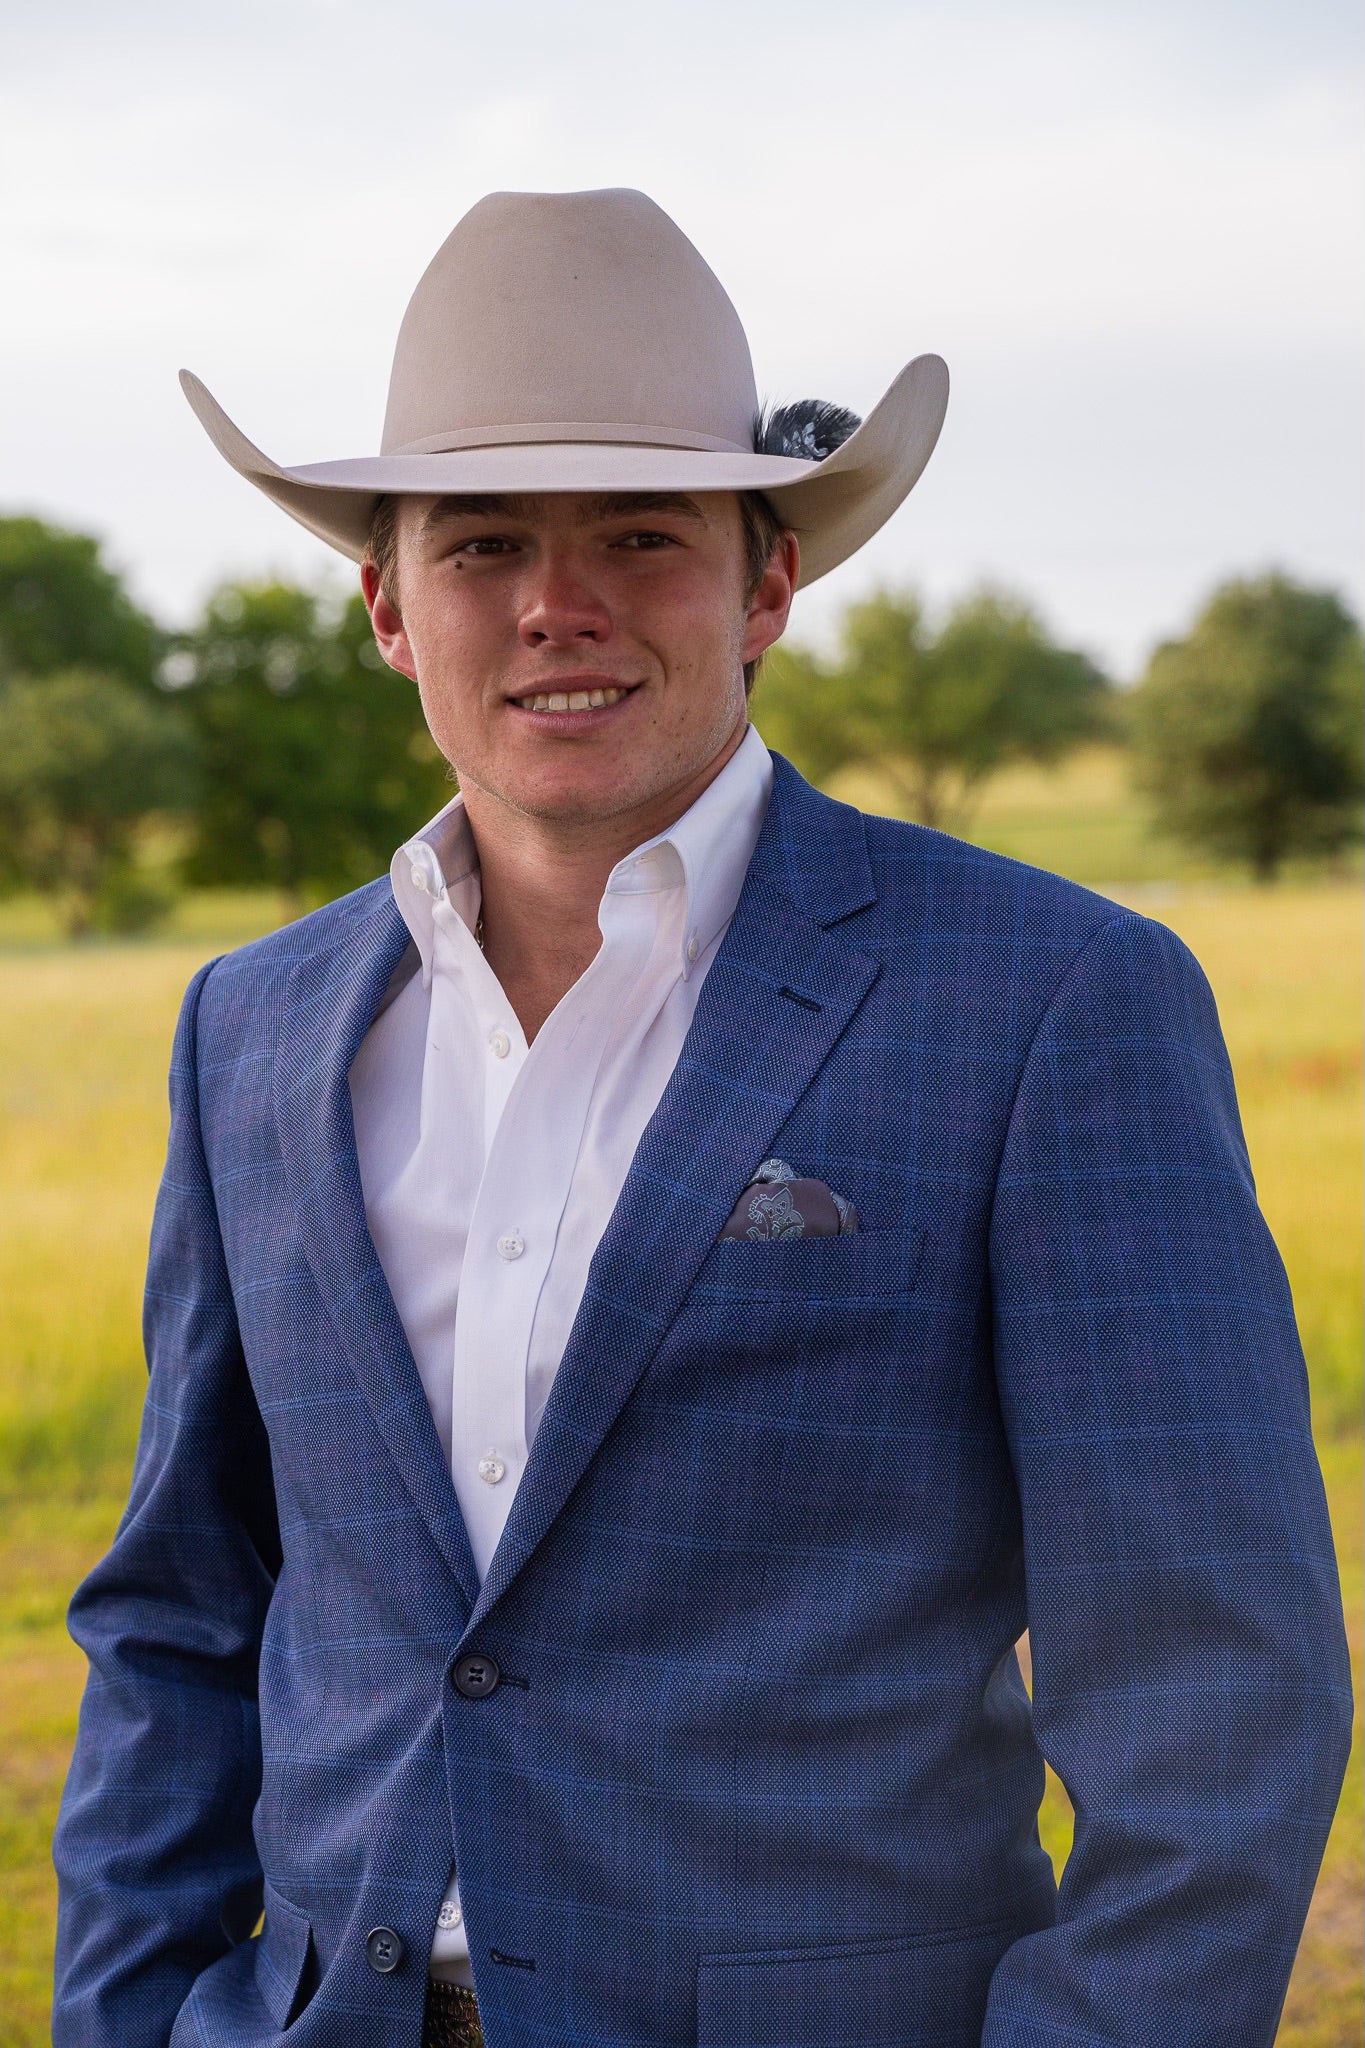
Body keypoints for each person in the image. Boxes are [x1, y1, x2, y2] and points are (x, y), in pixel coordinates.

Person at [52, 187, 1351, 2048]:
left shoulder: (1050, 1001)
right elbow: (181, 1618)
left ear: (765, 584)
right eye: (482, 542)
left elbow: (1214, 1694)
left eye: (640, 536)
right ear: (384, 608)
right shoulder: (251, 1031)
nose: (554, 606)